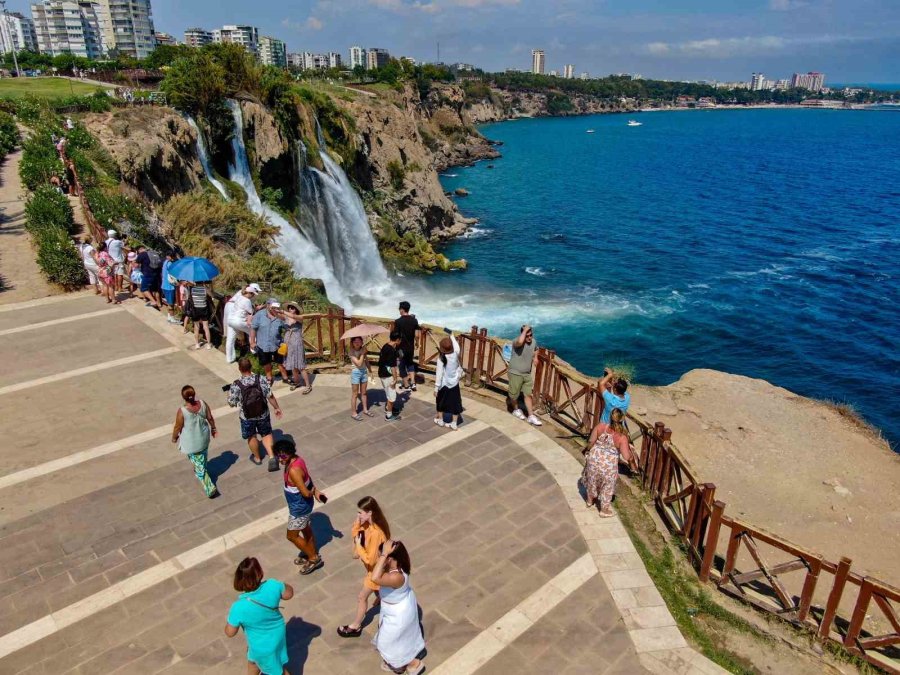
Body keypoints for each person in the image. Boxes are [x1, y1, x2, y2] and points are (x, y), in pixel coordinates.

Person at [225, 557, 293, 675]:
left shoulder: (238, 607)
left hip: (261, 646)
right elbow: (289, 594)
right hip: (277, 634)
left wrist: (229, 623)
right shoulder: (272, 585)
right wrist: (279, 585)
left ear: (238, 580)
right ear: (260, 573)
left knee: (278, 671)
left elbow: (230, 633)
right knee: (253, 662)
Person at [337, 496, 391, 638]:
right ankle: (382, 596)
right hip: (374, 570)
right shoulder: (368, 526)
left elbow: (370, 560)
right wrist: (357, 525)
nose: (358, 515)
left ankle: (356, 626)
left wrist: (359, 546)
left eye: (360, 512)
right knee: (380, 590)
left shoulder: (376, 533)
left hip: (375, 572)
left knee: (361, 597)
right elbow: (356, 537)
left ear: (370, 513)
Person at [371, 541, 426, 675]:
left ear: (390, 558)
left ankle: (413, 663)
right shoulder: (397, 568)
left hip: (398, 614)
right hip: (396, 607)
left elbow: (375, 578)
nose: (379, 559)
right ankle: (400, 662)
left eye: (381, 556)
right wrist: (382, 596)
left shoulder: (396, 576)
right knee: (399, 639)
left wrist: (384, 553)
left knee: (386, 642)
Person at [275, 438, 326, 576]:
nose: (280, 459)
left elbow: (305, 492)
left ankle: (313, 558)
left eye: (283, 456)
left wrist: (312, 492)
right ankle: (309, 550)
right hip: (303, 506)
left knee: (292, 536)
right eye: (278, 456)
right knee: (305, 528)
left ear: (290, 453)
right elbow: (307, 479)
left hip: (299, 508)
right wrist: (316, 490)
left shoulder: (293, 470)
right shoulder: (298, 460)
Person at [228, 357, 284, 466]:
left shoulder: (236, 384)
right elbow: (270, 395)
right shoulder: (261, 378)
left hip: (247, 417)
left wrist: (229, 394)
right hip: (263, 413)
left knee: (252, 436)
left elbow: (232, 403)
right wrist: (276, 408)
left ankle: (257, 458)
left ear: (239, 369)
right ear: (251, 367)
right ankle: (272, 456)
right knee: (266, 434)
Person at [581, 408, 637, 517]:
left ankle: (589, 500)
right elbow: (626, 456)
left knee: (592, 479)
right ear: (622, 420)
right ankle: (604, 510)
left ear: (610, 417)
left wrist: (587, 450)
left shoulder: (601, 426)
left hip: (594, 458)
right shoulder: (622, 437)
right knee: (607, 486)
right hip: (608, 465)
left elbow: (591, 441)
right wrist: (632, 459)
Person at [170, 385, 219, 499]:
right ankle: (200, 469)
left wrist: (174, 438)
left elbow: (177, 427)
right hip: (204, 438)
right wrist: (213, 428)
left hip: (191, 443)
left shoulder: (182, 411)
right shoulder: (203, 403)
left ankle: (209, 487)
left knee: (198, 464)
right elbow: (210, 418)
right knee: (202, 457)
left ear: (183, 397)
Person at [507, 324, 542, 426]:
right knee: (514, 395)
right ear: (522, 334)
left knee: (528, 394)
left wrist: (536, 357)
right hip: (515, 372)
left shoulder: (533, 341)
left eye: (531, 335)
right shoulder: (516, 341)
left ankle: (531, 416)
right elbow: (520, 342)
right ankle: (515, 410)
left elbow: (536, 348)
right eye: (527, 336)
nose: (529, 337)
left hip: (526, 374)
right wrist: (525, 331)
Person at [251, 298, 288, 385]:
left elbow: (287, 327)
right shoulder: (259, 315)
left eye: (276, 307)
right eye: (273, 307)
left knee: (280, 362)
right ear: (268, 305)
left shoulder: (280, 315)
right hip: (262, 344)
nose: (275, 309)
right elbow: (253, 328)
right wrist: (252, 342)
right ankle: (269, 378)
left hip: (277, 344)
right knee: (266, 362)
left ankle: (285, 377)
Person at [225, 283, 262, 363]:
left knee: (230, 339)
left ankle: (229, 358)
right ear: (249, 293)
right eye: (253, 294)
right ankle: (254, 351)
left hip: (230, 320)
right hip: (238, 321)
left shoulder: (239, 297)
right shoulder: (247, 301)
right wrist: (257, 309)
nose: (253, 296)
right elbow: (251, 313)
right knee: (252, 332)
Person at [434, 331, 464, 430]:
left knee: (440, 402)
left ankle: (441, 420)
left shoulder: (441, 359)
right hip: (454, 383)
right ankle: (454, 423)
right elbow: (456, 346)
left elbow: (439, 374)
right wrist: (451, 335)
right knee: (455, 403)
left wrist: (436, 388)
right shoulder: (456, 353)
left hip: (444, 384)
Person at [282, 303, 312, 394]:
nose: (291, 309)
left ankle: (308, 385)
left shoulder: (300, 317)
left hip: (297, 343)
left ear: (296, 309)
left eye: (293, 307)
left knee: (300, 365)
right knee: (292, 365)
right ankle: (297, 382)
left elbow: (294, 316)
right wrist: (273, 309)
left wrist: (282, 311)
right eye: (289, 307)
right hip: (288, 342)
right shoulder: (286, 317)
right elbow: (276, 315)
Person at [395, 301, 420, 392]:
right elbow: (417, 335)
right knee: (410, 364)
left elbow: (396, 336)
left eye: (399, 309)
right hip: (410, 347)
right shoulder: (414, 320)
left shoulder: (398, 321)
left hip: (401, 348)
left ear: (402, 309)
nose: (399, 310)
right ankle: (413, 383)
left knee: (401, 365)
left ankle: (406, 384)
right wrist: (417, 343)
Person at [378, 332, 402, 422]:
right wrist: (395, 379)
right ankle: (389, 415)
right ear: (397, 340)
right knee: (392, 396)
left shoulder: (385, 346)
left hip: (382, 373)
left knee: (388, 393)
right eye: (400, 340)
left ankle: (389, 408)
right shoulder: (392, 350)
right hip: (388, 375)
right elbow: (393, 367)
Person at [348, 336, 374, 421]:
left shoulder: (363, 350)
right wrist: (363, 353)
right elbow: (359, 364)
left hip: (364, 372)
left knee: (364, 393)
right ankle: (354, 413)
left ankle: (365, 410)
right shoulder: (351, 352)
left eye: (359, 341)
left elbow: (366, 361)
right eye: (355, 341)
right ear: (352, 343)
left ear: (362, 342)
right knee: (355, 394)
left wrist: (370, 370)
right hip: (355, 373)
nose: (357, 343)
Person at [187, 281, 213, 350]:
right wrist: (208, 286)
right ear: (202, 282)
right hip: (204, 309)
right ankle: (208, 344)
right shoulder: (204, 289)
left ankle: (197, 344)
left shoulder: (192, 289)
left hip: (195, 310)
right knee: (206, 327)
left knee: (196, 327)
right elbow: (211, 295)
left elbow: (189, 298)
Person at [161, 252, 180, 325]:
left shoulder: (165, 262)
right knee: (171, 304)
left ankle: (169, 317)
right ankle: (172, 318)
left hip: (164, 285)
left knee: (169, 302)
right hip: (169, 287)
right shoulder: (170, 264)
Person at [105, 230, 126, 294]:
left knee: (114, 274)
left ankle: (116, 286)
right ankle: (120, 288)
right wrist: (124, 239)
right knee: (120, 274)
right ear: (115, 235)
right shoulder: (118, 242)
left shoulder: (106, 242)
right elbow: (124, 245)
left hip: (111, 261)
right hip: (119, 260)